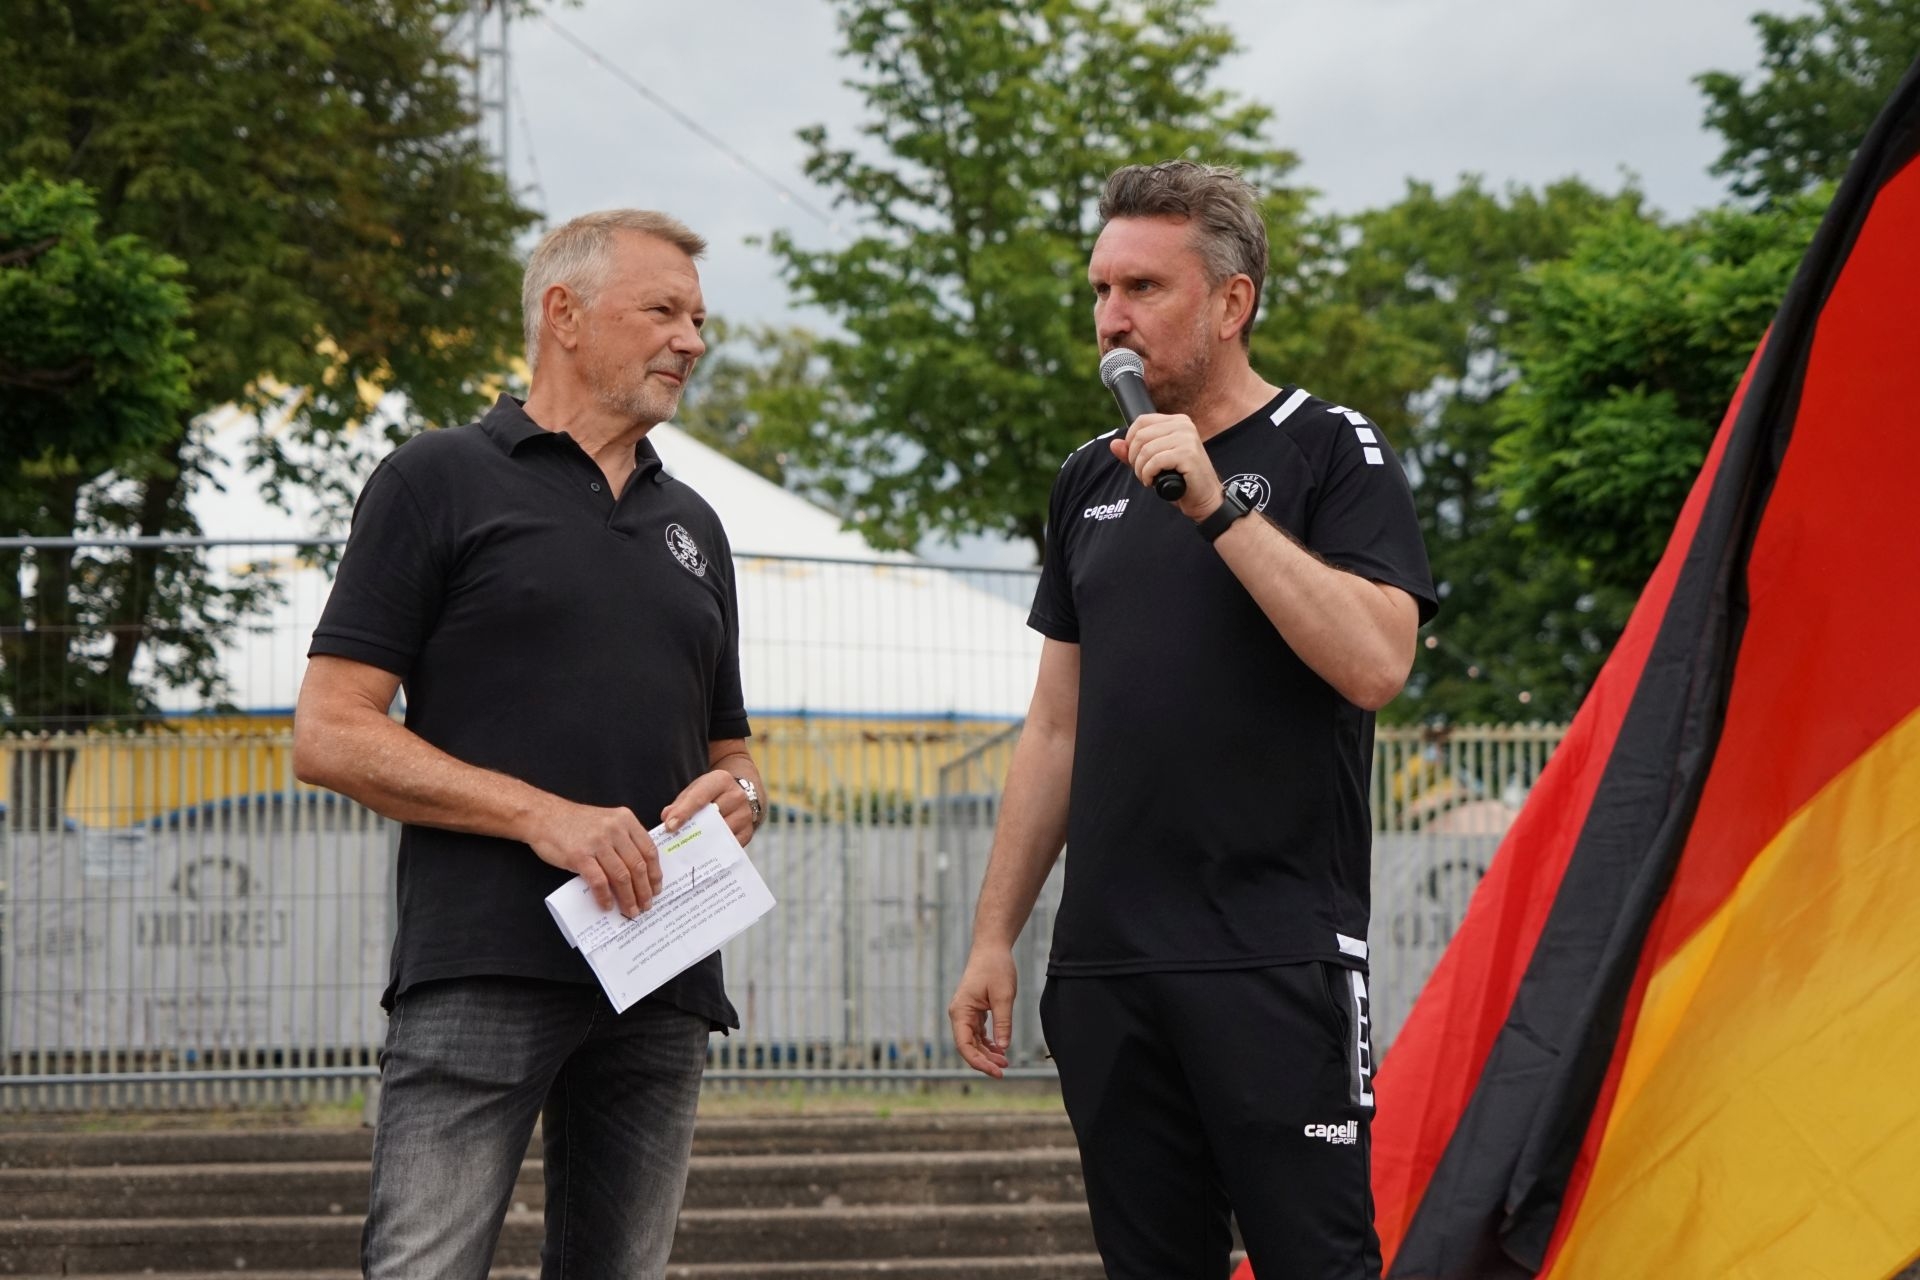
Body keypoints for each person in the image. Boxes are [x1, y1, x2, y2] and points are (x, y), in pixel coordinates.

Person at [947, 162, 1436, 1278]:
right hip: (1109, 968)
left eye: (1144, 288)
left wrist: (1215, 505)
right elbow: (1055, 728)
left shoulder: (1330, 448)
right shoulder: (1087, 479)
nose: (1112, 318)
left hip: (1274, 956)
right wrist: (993, 936)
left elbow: (1376, 663)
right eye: (1101, 289)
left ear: (1231, 302)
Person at [293, 209, 764, 1279]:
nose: (691, 340)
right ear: (565, 314)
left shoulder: (696, 524)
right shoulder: (435, 479)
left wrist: (743, 797)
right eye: (664, 310)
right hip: (483, 964)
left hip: (661, 971)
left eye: (699, 319)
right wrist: (545, 818)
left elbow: (730, 750)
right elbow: (328, 731)